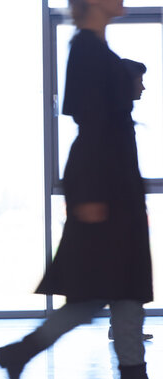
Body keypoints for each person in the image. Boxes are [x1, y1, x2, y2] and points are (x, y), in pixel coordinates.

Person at [0, 0, 163, 379]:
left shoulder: (95, 48)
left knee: (122, 292)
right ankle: (23, 355)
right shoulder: (85, 49)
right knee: (101, 293)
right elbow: (90, 127)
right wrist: (85, 196)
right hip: (106, 194)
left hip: (116, 190)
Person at [108, 58, 152, 341]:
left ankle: (124, 326)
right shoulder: (114, 119)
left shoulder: (120, 116)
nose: (144, 87)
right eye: (139, 81)